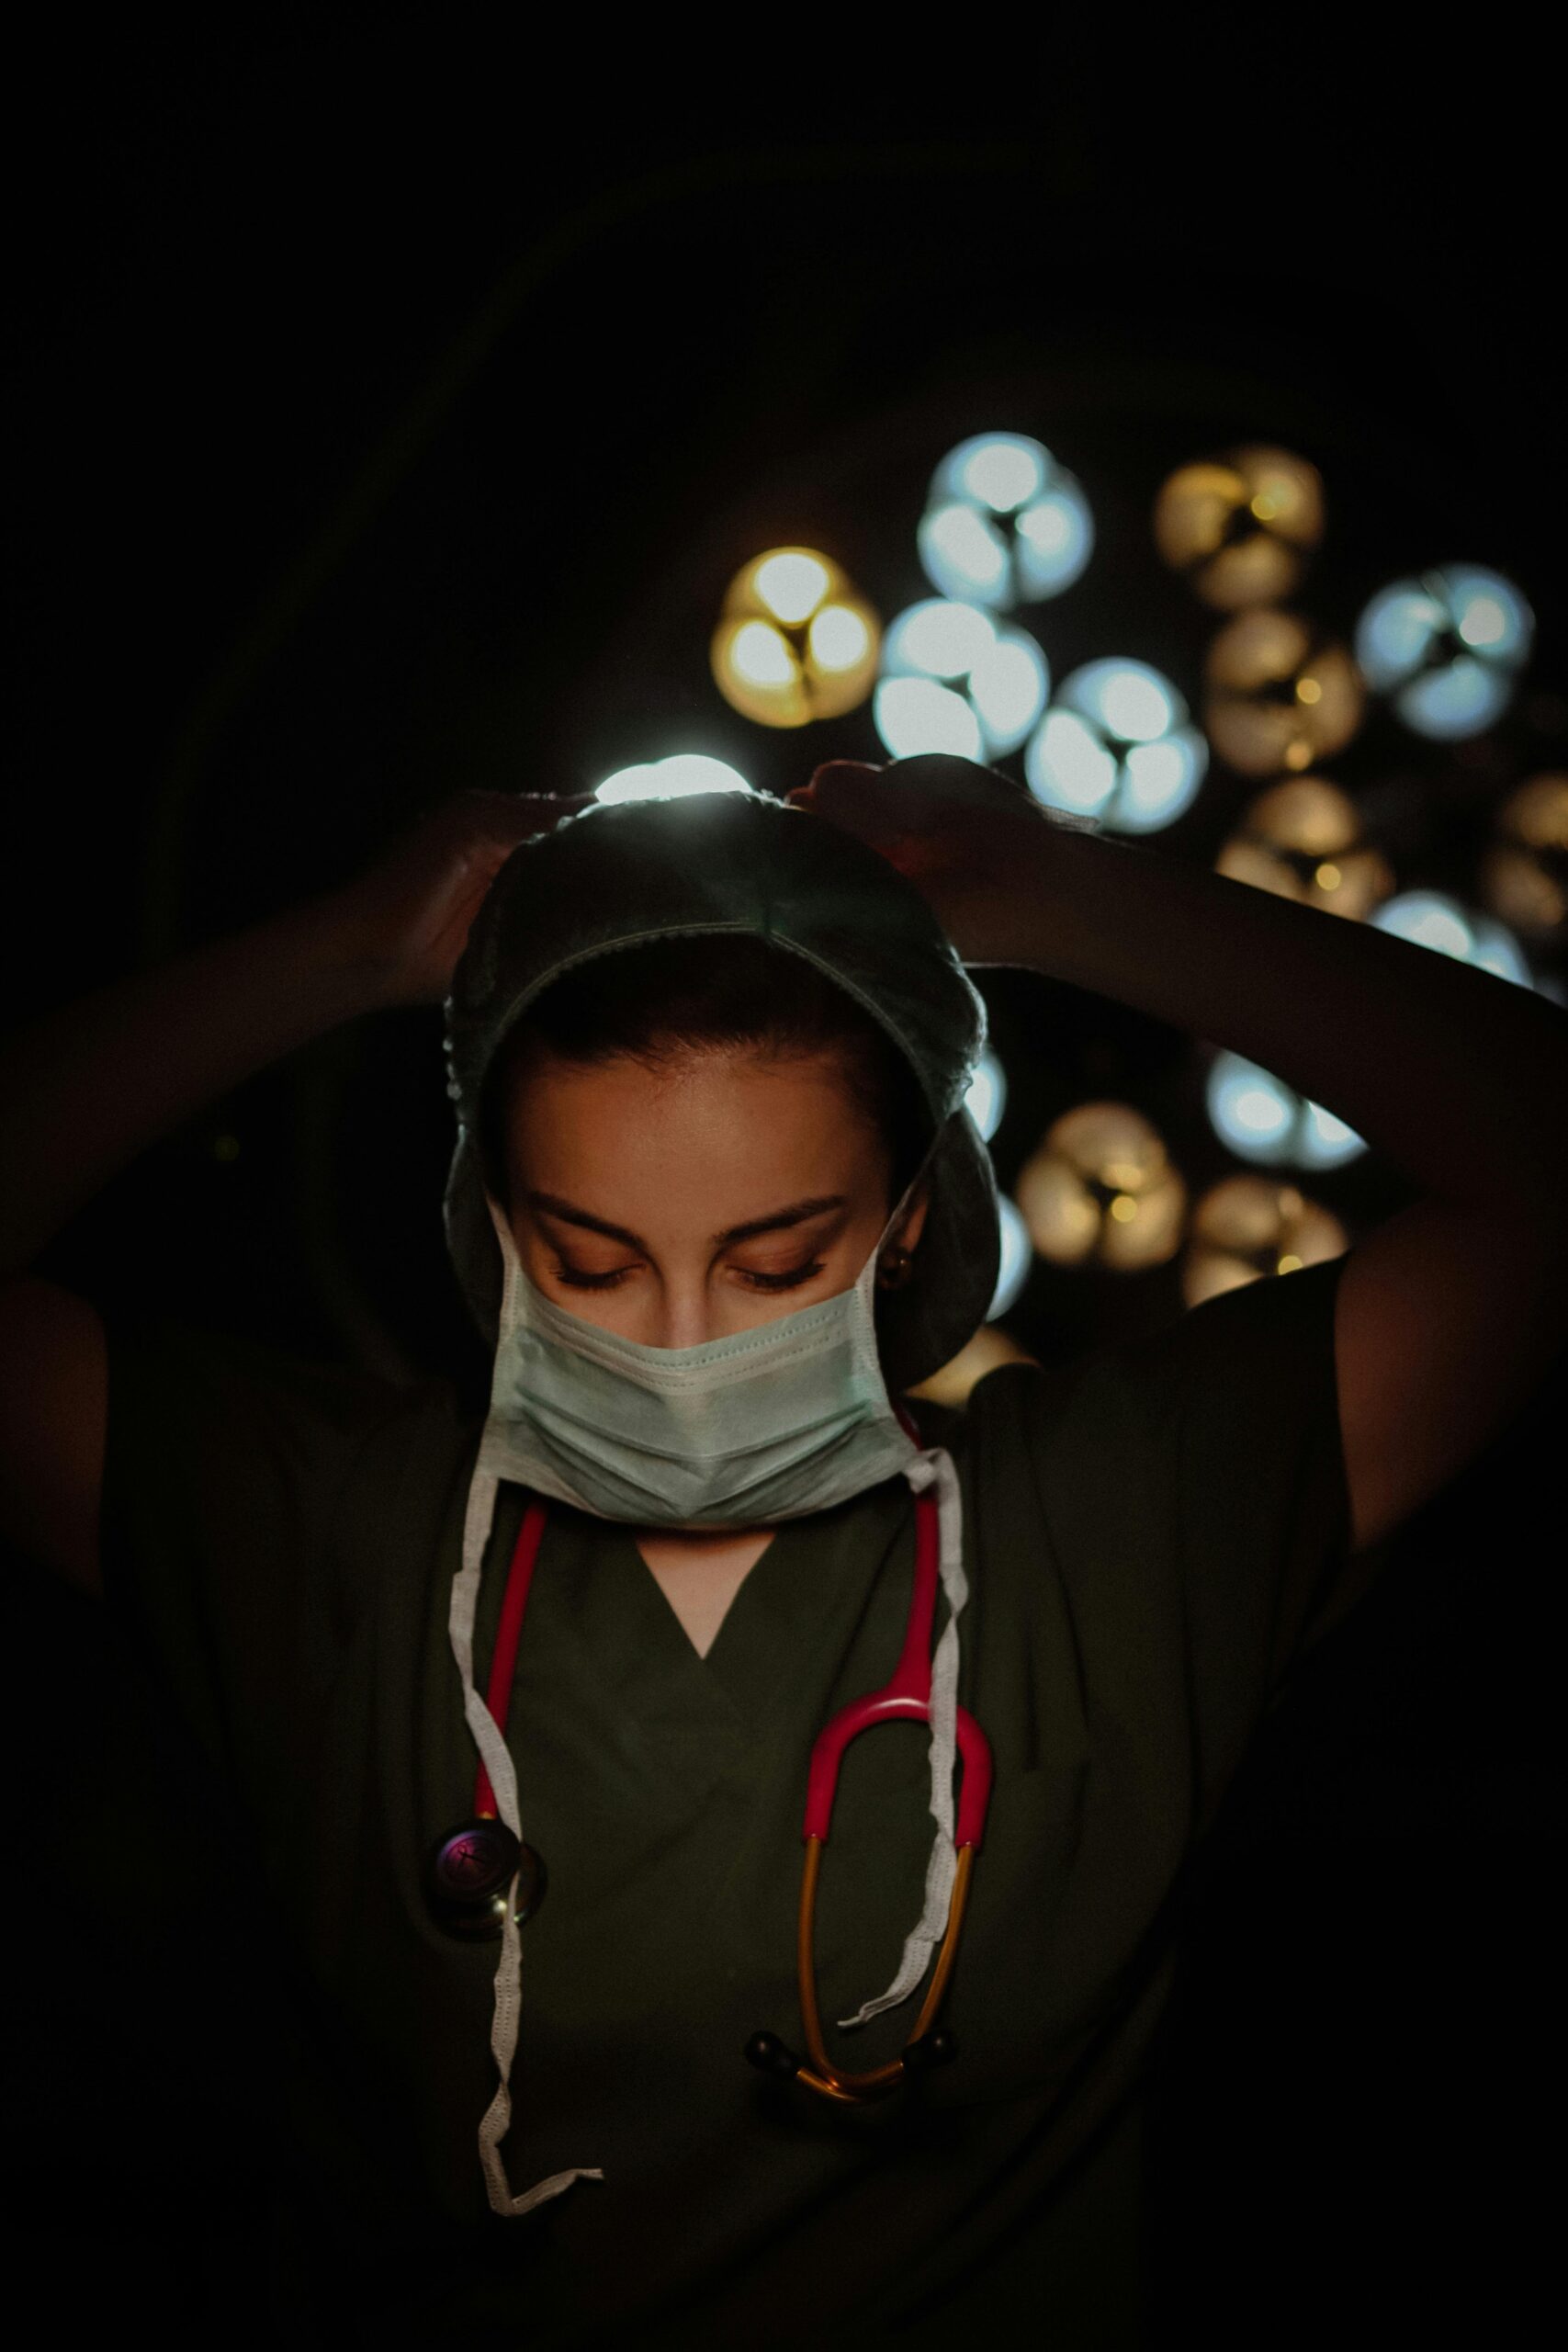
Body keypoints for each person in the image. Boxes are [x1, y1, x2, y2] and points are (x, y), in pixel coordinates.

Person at [2, 754, 1565, 2348]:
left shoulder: (1118, 1524)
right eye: (593, 1262)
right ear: (493, 1222)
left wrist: (1080, 893)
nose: (682, 1345)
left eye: (776, 1263)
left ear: (905, 1219)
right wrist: (341, 953)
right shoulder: (329, 1541)